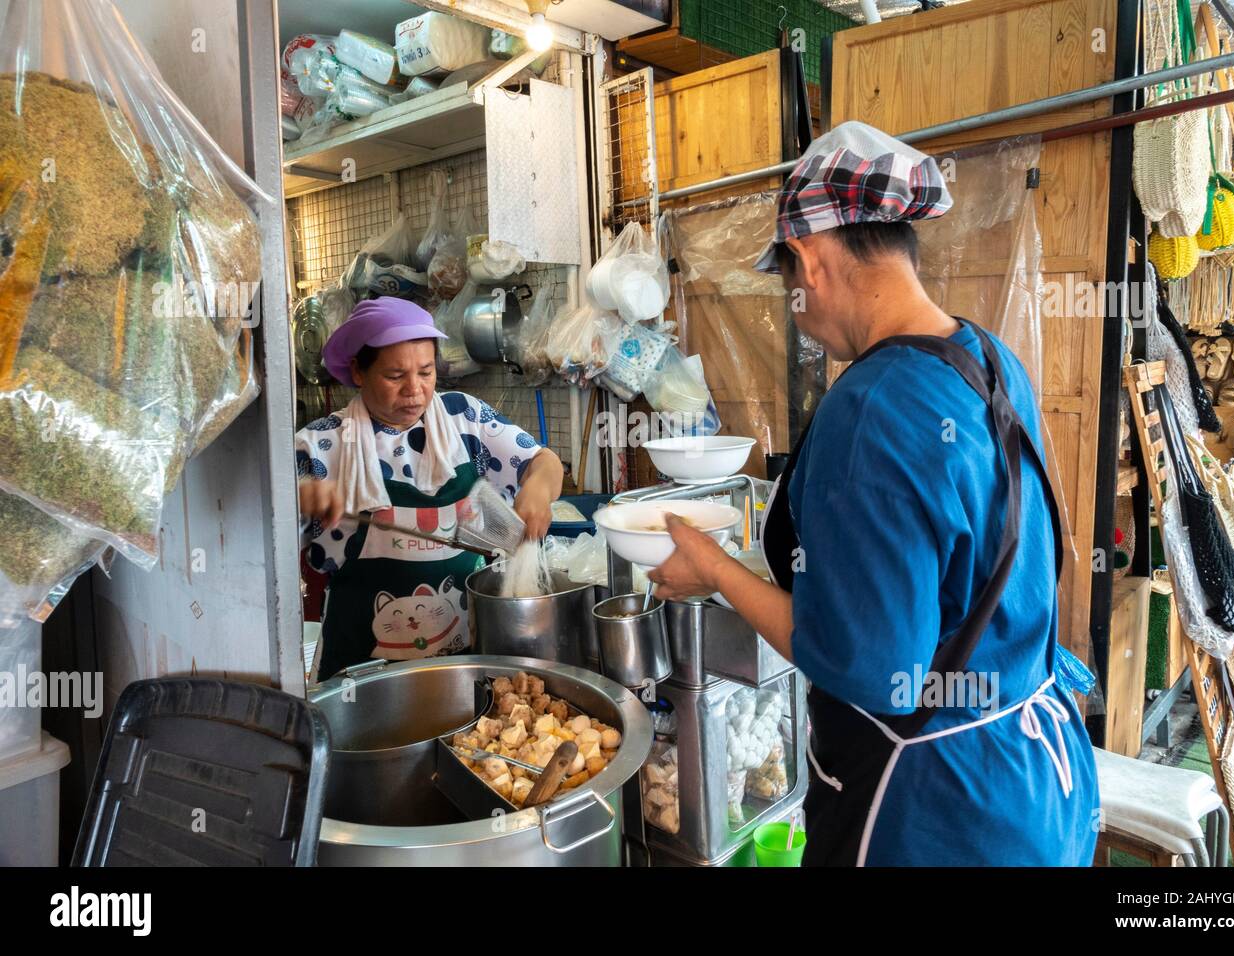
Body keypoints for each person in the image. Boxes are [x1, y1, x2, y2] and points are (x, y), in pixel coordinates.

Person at [648, 123, 1099, 866]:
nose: (798, 304)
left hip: (934, 812)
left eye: (789, 282)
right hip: (1036, 771)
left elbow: (869, 665)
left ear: (810, 260)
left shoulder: (869, 410)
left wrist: (715, 570)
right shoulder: (987, 356)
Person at [296, 296, 562, 679]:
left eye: (425, 372)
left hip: (467, 663)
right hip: (361, 675)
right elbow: (255, 526)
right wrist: (298, 498)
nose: (415, 391)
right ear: (358, 371)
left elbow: (544, 462)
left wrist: (537, 489)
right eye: (395, 376)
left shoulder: (463, 419)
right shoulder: (322, 447)